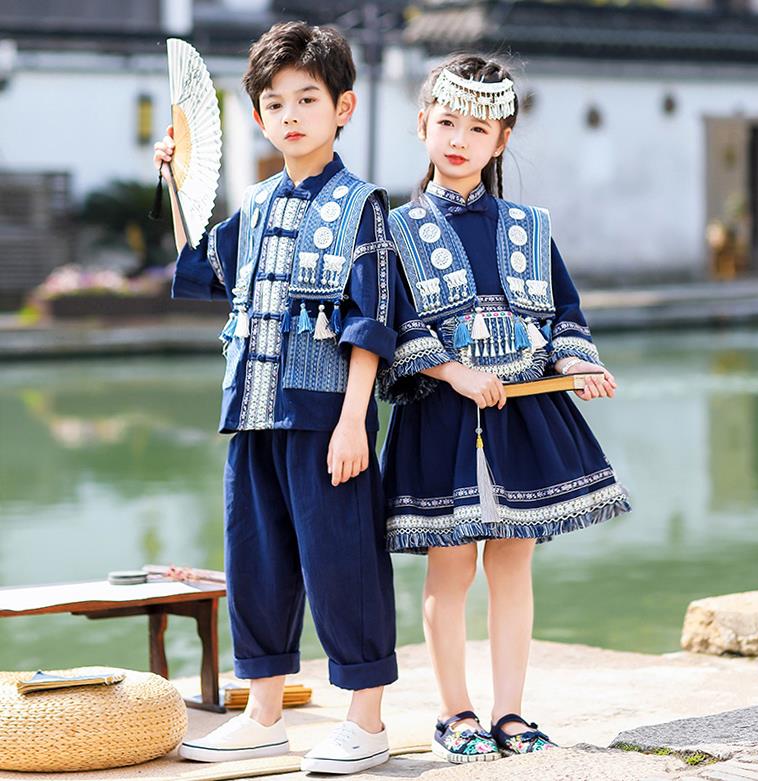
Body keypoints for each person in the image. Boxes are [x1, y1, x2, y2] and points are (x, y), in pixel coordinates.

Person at [153, 21, 408, 774]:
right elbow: (203, 268)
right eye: (274, 101)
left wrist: (355, 420)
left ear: (344, 108)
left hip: (327, 414)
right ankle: (262, 711)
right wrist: (176, 183)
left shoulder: (363, 206)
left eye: (307, 97)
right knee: (255, 562)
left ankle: (366, 721)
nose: (290, 113)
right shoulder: (256, 204)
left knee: (343, 563)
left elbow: (370, 321)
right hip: (253, 407)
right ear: (258, 115)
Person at [378, 53, 632, 763]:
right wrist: (452, 370)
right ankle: (454, 712)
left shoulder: (527, 225)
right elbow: (393, 323)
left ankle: (511, 711)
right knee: (450, 567)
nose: (458, 138)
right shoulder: (393, 230)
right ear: (423, 122)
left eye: (478, 127)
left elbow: (563, 316)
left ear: (502, 139)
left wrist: (577, 362)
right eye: (447, 121)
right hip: (442, 416)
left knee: (512, 564)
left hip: (521, 412)